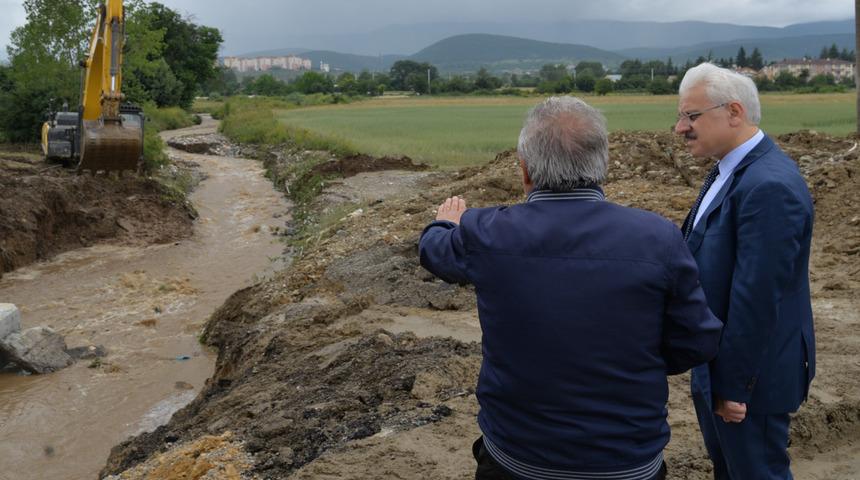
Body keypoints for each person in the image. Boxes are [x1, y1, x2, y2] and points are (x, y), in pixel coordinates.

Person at [419, 96, 723, 480]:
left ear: (525, 171)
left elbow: (434, 253)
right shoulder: (658, 238)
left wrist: (446, 224)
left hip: (518, 457)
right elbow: (697, 341)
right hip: (627, 460)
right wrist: (634, 358)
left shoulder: (488, 232)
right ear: (602, 168)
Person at [674, 63, 816, 479]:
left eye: (691, 116)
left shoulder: (768, 185)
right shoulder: (729, 170)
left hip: (752, 378)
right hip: (723, 367)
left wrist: (735, 387)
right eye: (681, 116)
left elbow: (757, 296)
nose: (681, 128)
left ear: (734, 112)